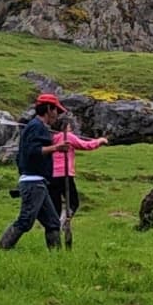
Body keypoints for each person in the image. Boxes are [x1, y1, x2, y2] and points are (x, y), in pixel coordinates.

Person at [0, 92, 65, 249]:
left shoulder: (36, 127)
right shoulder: (36, 127)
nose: (57, 115)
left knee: (52, 222)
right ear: (49, 109)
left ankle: (58, 258)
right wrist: (56, 148)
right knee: (26, 220)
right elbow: (33, 151)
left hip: (38, 182)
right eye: (57, 110)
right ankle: (3, 248)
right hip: (33, 182)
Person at [44, 96, 105, 241]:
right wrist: (100, 141)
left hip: (52, 174)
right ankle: (65, 221)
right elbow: (85, 145)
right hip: (65, 174)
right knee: (73, 202)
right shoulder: (68, 137)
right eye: (70, 127)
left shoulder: (51, 138)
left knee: (56, 204)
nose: (71, 129)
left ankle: (56, 226)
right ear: (65, 128)